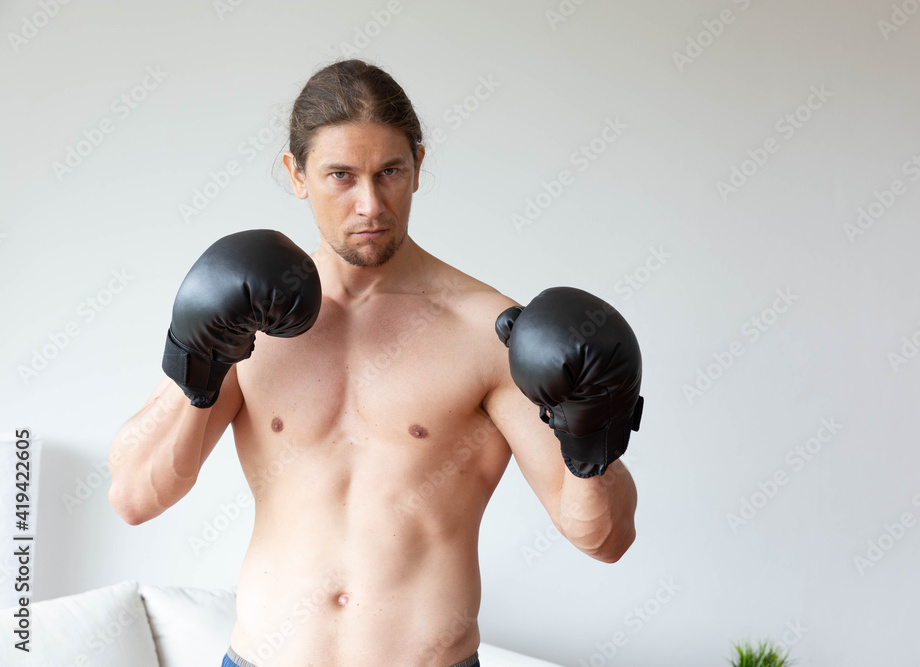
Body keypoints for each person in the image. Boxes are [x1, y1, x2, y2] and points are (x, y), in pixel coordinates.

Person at [108, 59, 642, 667]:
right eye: (341, 175)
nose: (370, 204)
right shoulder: (247, 317)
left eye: (389, 172)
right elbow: (133, 497)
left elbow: (604, 539)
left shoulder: (490, 332)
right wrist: (198, 361)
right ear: (296, 174)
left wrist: (592, 431)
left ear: (418, 165)